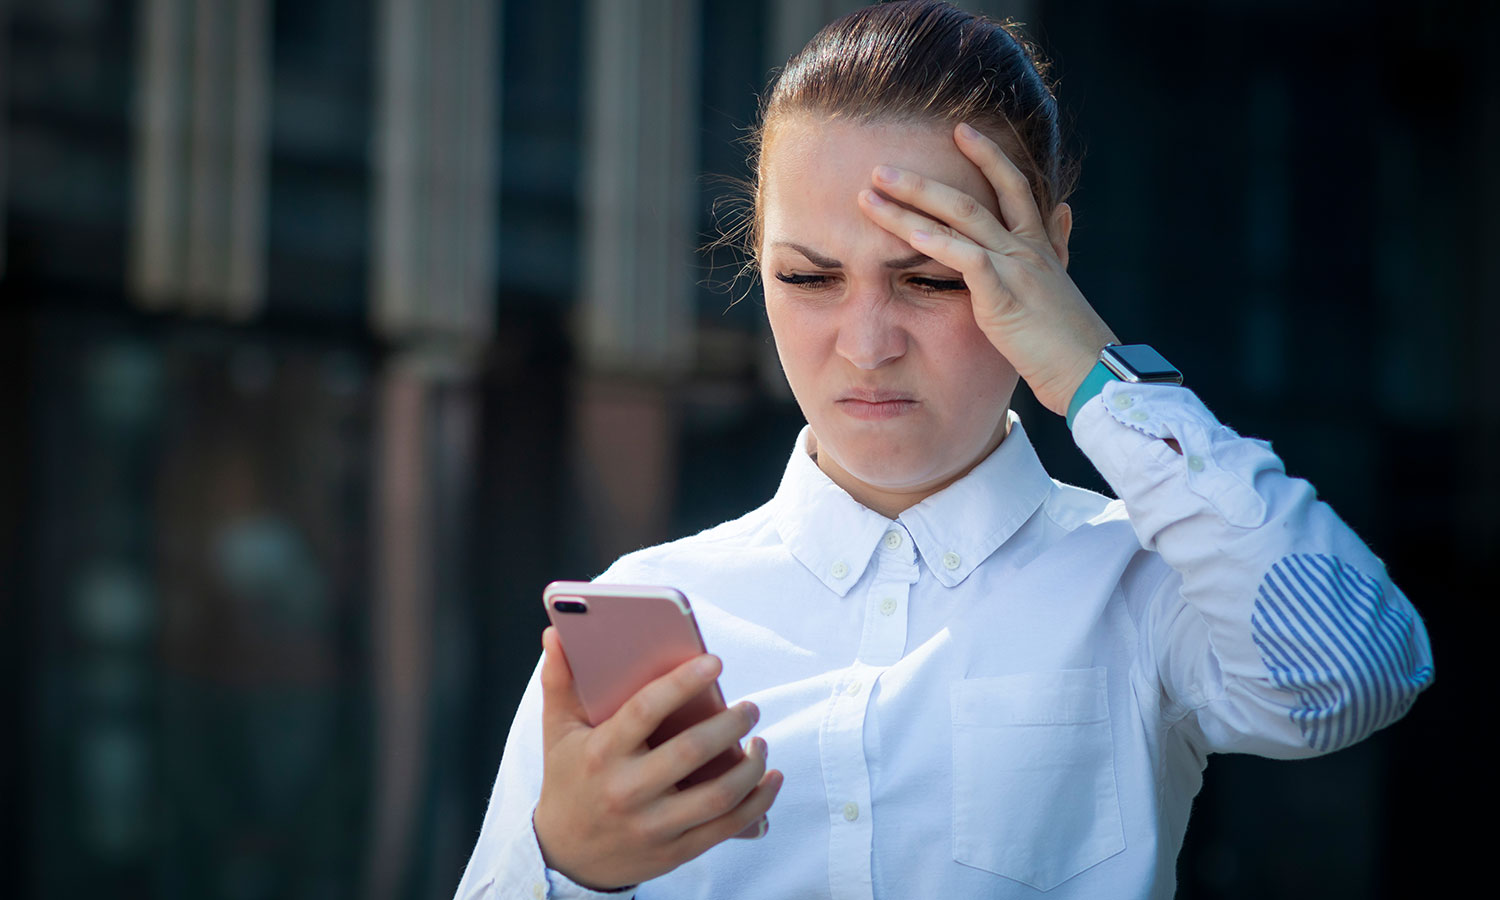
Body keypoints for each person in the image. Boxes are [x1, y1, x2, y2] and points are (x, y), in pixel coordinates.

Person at [454, 2, 1434, 897]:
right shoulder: (652, 609)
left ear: (1045, 260)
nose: (866, 343)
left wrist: (1090, 367)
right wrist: (566, 866)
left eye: (932, 279)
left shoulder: (1143, 583)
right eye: (809, 278)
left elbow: (1357, 669)